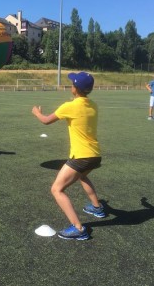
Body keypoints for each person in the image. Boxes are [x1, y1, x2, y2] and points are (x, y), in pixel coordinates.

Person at [32, 72, 104, 241]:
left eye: (72, 83)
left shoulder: (69, 106)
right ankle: (97, 207)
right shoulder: (93, 105)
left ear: (75, 88)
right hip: (95, 155)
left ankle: (79, 228)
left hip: (81, 156)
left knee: (57, 189)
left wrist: (36, 112)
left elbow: (46, 120)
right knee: (82, 176)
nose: (70, 85)